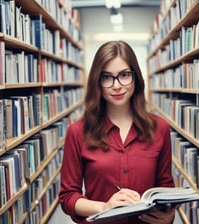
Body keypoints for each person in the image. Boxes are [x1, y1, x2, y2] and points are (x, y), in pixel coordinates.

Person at [59, 40, 176, 224]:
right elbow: (68, 197)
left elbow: (165, 186)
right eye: (107, 77)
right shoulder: (77, 132)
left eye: (124, 75)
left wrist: (169, 216)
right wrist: (104, 207)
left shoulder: (159, 128)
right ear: (97, 82)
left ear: (136, 77)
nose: (117, 85)